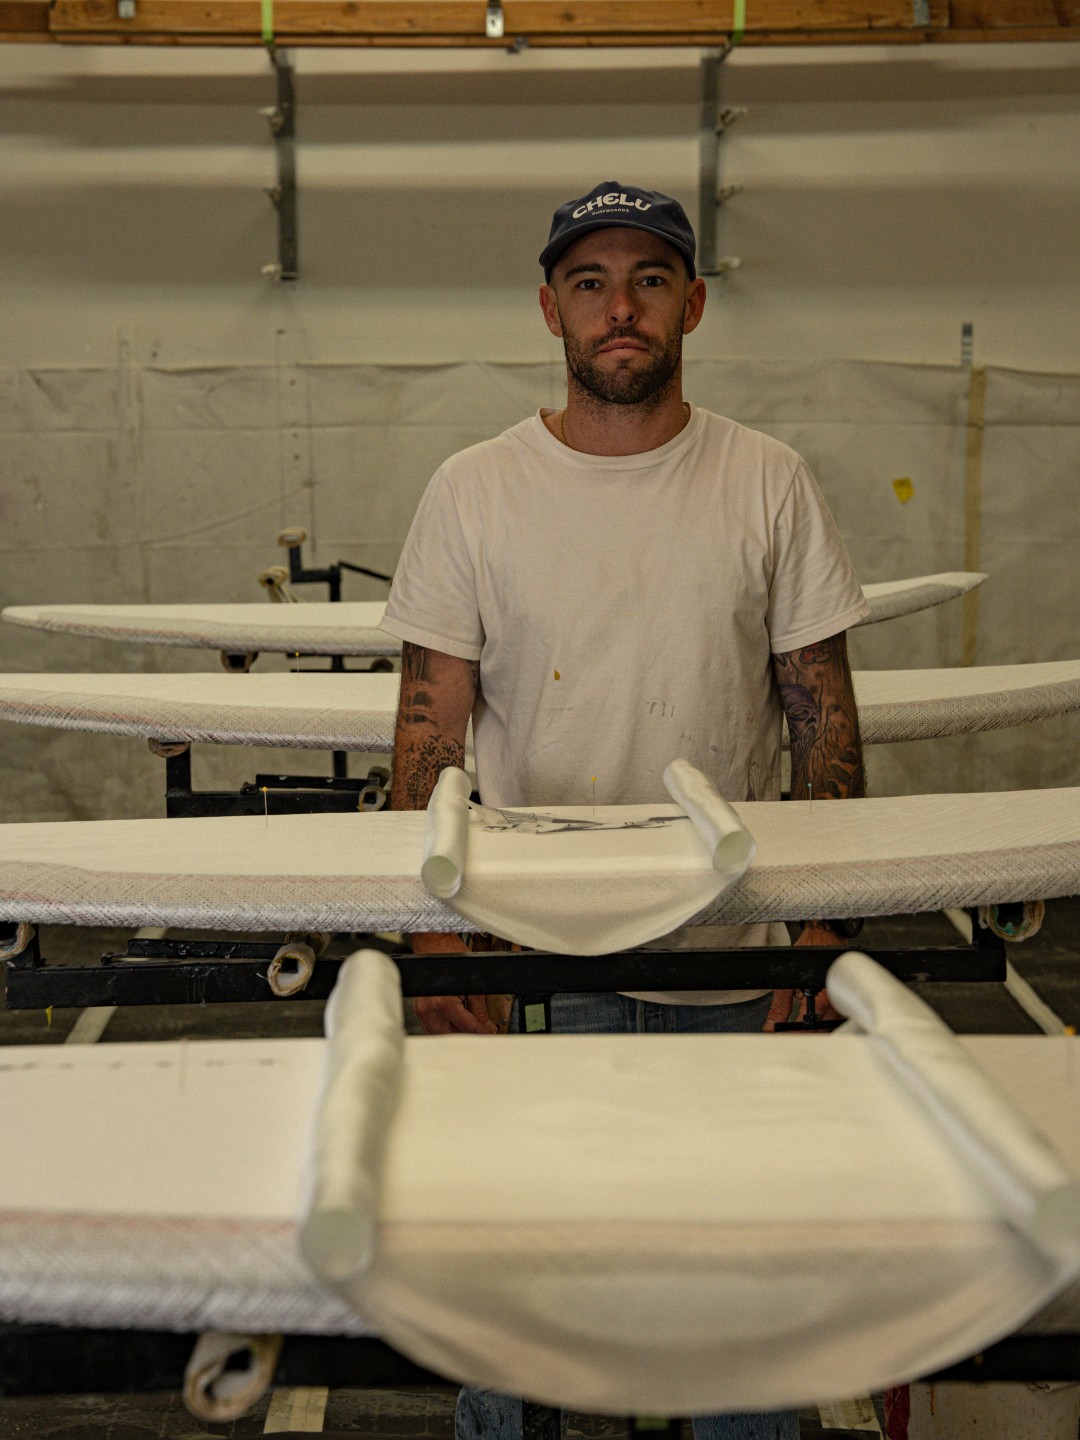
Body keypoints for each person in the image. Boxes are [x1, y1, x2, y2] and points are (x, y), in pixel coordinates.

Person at [378, 181, 868, 1440]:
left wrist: (825, 941)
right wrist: (433, 942)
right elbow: (428, 737)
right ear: (550, 307)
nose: (619, 307)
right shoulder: (476, 489)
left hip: (735, 955)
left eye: (649, 279)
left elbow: (825, 732)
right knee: (520, 1319)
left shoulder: (768, 482)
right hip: (533, 958)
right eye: (590, 282)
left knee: (745, 1329)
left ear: (693, 303)